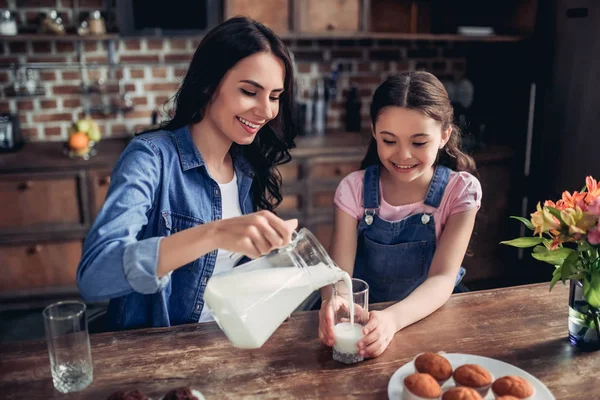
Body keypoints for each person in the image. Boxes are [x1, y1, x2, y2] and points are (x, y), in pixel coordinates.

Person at [77, 17, 298, 330]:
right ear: (209, 84)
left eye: (274, 97)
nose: (266, 111)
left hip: (230, 341)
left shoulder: (247, 167)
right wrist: (214, 233)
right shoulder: (151, 158)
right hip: (159, 356)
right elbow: (95, 276)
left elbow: (225, 280)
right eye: (250, 92)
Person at [318, 72, 482, 358]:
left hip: (430, 318)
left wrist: (392, 320)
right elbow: (340, 278)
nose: (403, 155)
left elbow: (442, 278)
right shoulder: (353, 189)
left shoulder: (460, 191)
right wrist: (334, 303)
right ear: (373, 131)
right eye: (389, 141)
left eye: (419, 142)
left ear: (444, 135)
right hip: (365, 323)